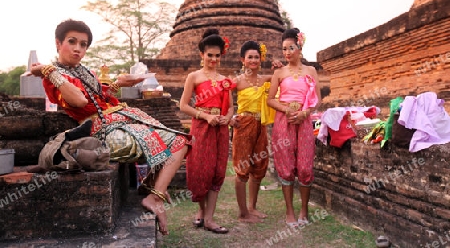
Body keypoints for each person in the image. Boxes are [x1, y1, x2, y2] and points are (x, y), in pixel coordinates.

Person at [30, 19, 190, 236]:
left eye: (83, 44)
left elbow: (100, 96)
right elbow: (79, 101)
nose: (78, 49)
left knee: (181, 140)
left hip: (122, 119)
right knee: (176, 142)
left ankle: (152, 189)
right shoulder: (54, 77)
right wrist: (50, 71)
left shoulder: (86, 72)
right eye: (72, 42)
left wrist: (120, 83)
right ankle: (155, 197)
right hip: (103, 129)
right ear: (58, 43)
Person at [180, 29, 235, 234]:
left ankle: (210, 219)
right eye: (209, 54)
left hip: (220, 129)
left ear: (221, 56)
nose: (213, 59)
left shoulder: (225, 80)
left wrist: (227, 117)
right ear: (201, 54)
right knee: (200, 170)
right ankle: (201, 211)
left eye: (217, 55)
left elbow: (230, 106)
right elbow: (183, 105)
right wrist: (206, 116)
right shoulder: (193, 77)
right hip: (201, 126)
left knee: (216, 171)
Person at [266, 28, 321, 228]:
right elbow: (270, 100)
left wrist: (305, 113)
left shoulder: (310, 71)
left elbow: (317, 99)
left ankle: (304, 210)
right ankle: (289, 211)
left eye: (291, 48)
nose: (287, 52)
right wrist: (287, 109)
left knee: (305, 167)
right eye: (284, 49)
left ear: (300, 47)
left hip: (304, 121)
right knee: (287, 168)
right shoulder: (279, 73)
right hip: (284, 121)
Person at [229, 40, 276, 223]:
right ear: (243, 60)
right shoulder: (237, 81)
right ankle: (243, 213)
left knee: (259, 167)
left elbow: (284, 79)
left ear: (261, 59)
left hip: (260, 125)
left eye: (257, 57)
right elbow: (224, 102)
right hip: (243, 125)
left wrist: (278, 68)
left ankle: (252, 207)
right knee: (242, 168)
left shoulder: (265, 79)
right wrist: (229, 119)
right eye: (250, 57)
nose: (254, 60)